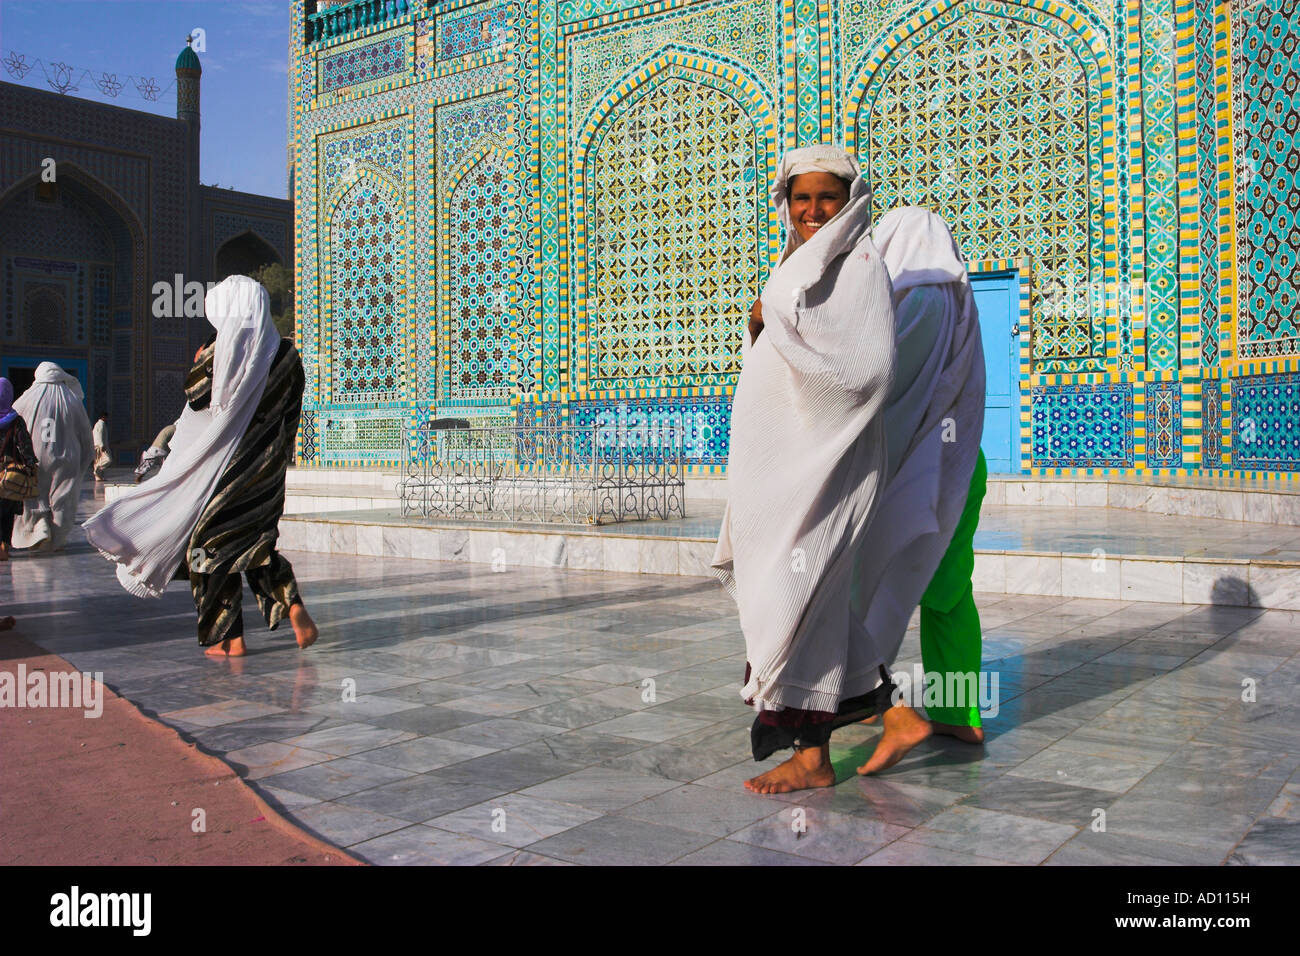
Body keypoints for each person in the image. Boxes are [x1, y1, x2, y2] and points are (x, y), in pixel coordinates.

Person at [712, 145, 902, 794]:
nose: (813, 209)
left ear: (849, 198)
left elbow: (867, 368)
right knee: (802, 598)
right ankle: (886, 716)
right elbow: (774, 352)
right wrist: (761, 325)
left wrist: (779, 327)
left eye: (826, 196)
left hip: (833, 460)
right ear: (785, 203)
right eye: (801, 197)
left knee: (793, 595)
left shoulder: (862, 264)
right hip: (785, 464)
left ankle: (817, 750)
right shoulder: (794, 263)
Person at [83, 275, 318, 657]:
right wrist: (276, 454)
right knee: (255, 544)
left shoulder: (218, 350)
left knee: (207, 550)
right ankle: (292, 607)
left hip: (223, 470)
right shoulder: (289, 356)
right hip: (267, 469)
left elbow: (195, 399)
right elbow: (292, 414)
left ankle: (231, 637)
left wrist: (199, 361)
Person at [847, 207, 988, 765]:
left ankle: (873, 702)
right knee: (948, 593)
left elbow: (889, 380)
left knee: (870, 584)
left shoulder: (924, 299)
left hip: (921, 471)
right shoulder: (954, 297)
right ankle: (959, 716)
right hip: (955, 466)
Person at [12, 363, 95, 553]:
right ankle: (57, 540)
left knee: (35, 494)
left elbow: (11, 421)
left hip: (35, 456)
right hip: (67, 458)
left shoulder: (27, 397)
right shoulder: (72, 400)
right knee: (62, 499)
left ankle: (39, 527)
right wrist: (85, 460)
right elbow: (85, 435)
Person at [0, 377, 38, 561]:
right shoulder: (16, 421)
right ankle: (4, 547)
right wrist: (30, 464)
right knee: (6, 512)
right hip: (10, 475)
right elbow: (24, 446)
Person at [92, 411, 112, 479]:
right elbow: (99, 435)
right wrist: (101, 445)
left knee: (99, 460)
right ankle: (98, 468)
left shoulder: (97, 424)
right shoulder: (101, 424)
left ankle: (98, 477)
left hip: (97, 445)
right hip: (100, 446)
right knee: (108, 460)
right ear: (104, 417)